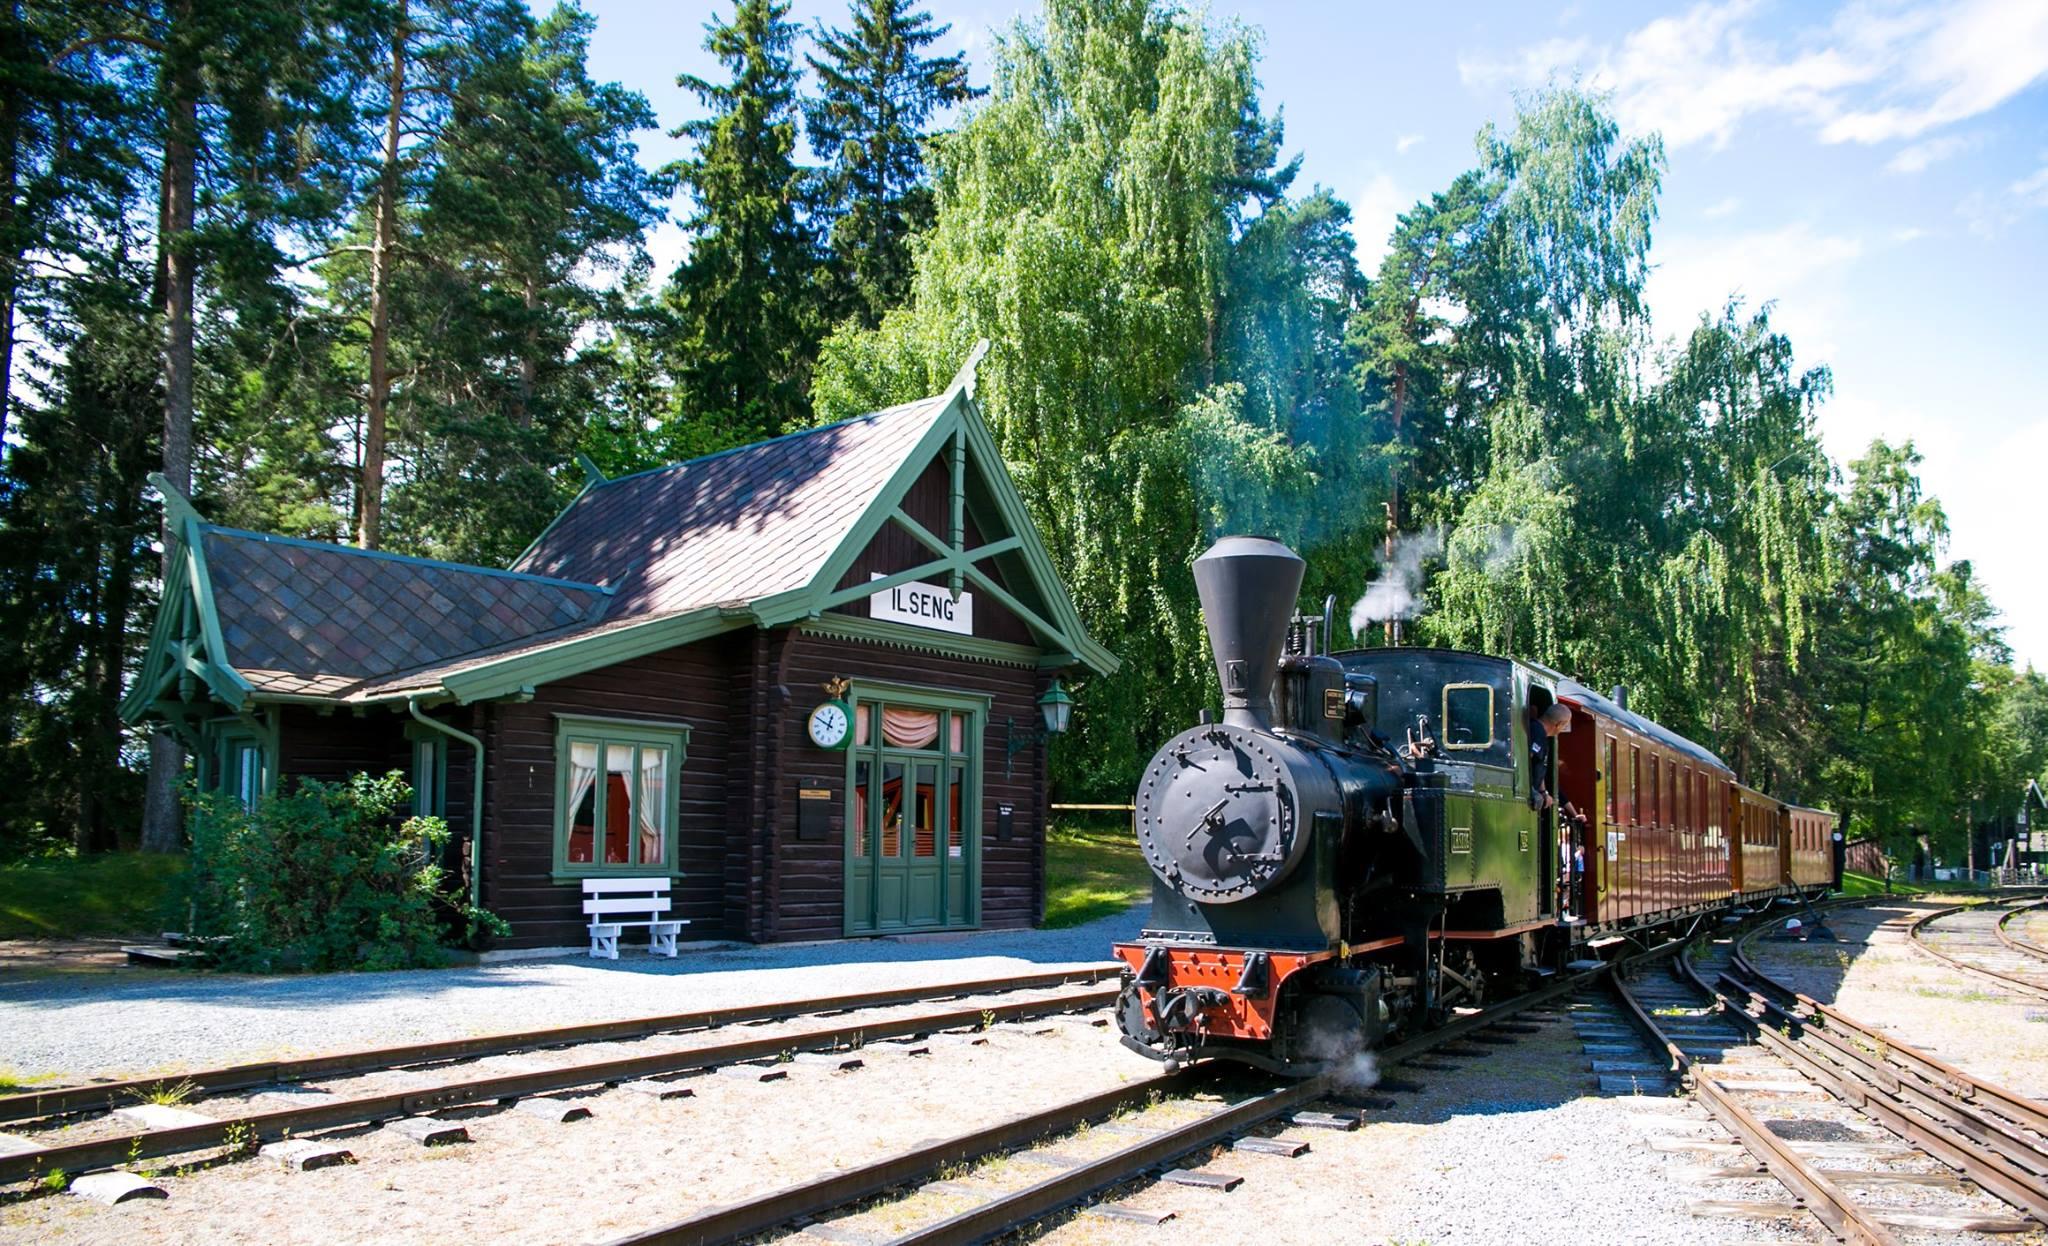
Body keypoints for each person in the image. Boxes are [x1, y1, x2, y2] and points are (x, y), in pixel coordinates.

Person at [1528, 701, 1571, 811]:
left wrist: (1543, 792)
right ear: (1559, 724)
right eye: (1564, 726)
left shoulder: (1541, 734)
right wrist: (1529, 789)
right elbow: (1525, 761)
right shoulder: (1536, 732)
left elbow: (1538, 765)